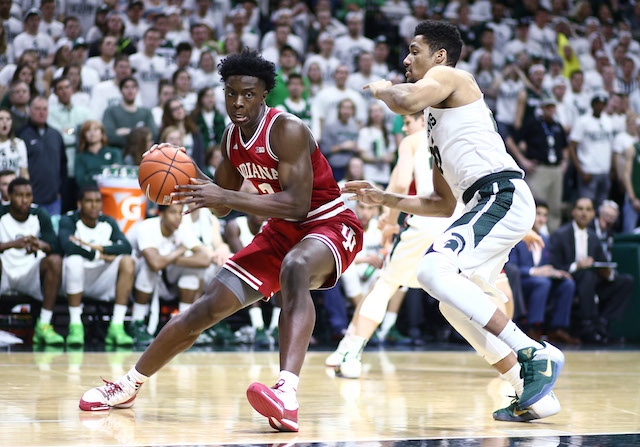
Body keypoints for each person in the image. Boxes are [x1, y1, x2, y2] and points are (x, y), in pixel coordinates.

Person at [79, 50, 364, 433]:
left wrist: (225, 197)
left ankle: (287, 393)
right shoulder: (231, 136)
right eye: (231, 94)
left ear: (264, 94)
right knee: (204, 309)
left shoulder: (287, 129)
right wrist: (177, 165)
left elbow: (296, 205)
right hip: (282, 230)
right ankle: (129, 385)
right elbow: (219, 206)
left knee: (295, 268)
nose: (238, 102)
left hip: (327, 223)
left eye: (248, 94)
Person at [342, 20, 564, 418]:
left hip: (501, 192)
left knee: (431, 270)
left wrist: (380, 90)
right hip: (483, 201)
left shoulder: (451, 76)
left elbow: (405, 99)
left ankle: (534, 352)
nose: (406, 59)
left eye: (414, 51)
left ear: (438, 55)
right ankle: (531, 391)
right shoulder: (434, 122)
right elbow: (443, 204)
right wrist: (385, 197)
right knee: (451, 304)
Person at [58, 186, 136, 346]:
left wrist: (101, 248)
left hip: (101, 279)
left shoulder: (108, 222)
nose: (94, 205)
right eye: (89, 201)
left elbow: (126, 247)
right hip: (74, 278)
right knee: (73, 260)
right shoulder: (69, 220)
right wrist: (98, 255)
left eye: (97, 201)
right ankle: (75, 325)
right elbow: (68, 246)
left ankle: (117, 326)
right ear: (79, 203)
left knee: (128, 261)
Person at [549, 198, 632, 344]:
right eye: (580, 209)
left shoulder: (593, 237)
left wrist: (608, 273)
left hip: (593, 282)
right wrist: (577, 265)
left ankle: (603, 324)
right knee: (587, 274)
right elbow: (553, 265)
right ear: (573, 212)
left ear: (593, 213)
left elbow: (602, 262)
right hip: (569, 279)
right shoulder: (560, 235)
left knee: (625, 281)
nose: (584, 213)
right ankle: (588, 325)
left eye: (588, 210)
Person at [0, 178, 62, 345]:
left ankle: (44, 324)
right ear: (9, 196)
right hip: (4, 271)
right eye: (20, 195)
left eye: (28, 195)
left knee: (54, 261)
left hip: (29, 273)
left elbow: (56, 246)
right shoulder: (1, 212)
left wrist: (40, 245)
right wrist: (13, 244)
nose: (25, 199)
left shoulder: (39, 214)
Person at [507, 200, 579, 345]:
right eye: (538, 214)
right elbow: (510, 268)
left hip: (540, 282)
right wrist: (535, 271)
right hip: (521, 282)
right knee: (542, 282)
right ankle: (532, 328)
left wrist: (556, 272)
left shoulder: (545, 239)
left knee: (567, 284)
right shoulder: (517, 236)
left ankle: (557, 329)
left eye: (544, 215)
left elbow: (547, 267)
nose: (541, 219)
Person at [17, 96, 67, 216]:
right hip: (30, 199)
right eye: (37, 109)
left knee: (52, 232)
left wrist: (60, 191)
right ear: (29, 110)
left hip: (54, 199)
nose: (41, 112)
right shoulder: (21, 135)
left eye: (44, 109)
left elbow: (63, 164)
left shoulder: (55, 134)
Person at [102, 77, 157, 149]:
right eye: (126, 87)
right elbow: (110, 136)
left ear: (137, 90)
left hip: (142, 152)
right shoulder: (111, 111)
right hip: (119, 152)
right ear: (121, 90)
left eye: (133, 87)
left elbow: (154, 135)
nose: (130, 91)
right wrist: (141, 135)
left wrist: (128, 131)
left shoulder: (146, 112)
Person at [74, 120, 122, 188]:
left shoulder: (114, 152)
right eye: (88, 130)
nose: (92, 133)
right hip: (89, 193)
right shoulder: (80, 157)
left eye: (95, 129)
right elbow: (80, 181)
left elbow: (117, 174)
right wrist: (105, 174)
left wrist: (92, 176)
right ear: (83, 135)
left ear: (102, 133)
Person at [0, 108, 28, 178]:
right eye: (1, 119)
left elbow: (24, 173)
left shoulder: (19, 143)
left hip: (14, 187)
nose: (5, 122)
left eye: (8, 119)